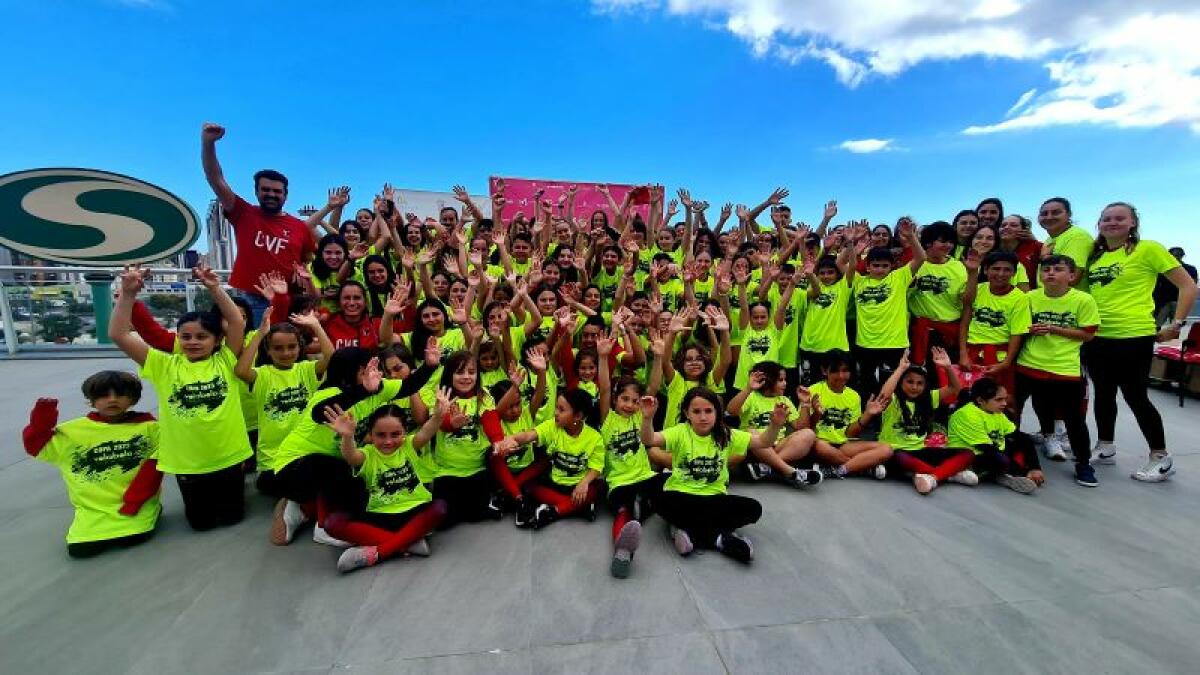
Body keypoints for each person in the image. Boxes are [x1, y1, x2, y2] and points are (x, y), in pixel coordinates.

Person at [109, 264, 251, 531]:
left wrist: (215, 288)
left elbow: (236, 322)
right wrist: (127, 295)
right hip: (187, 462)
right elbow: (119, 334)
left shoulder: (226, 360)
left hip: (230, 456)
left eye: (201, 336)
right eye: (185, 336)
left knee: (233, 517)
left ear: (217, 340)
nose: (193, 342)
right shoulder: (164, 366)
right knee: (201, 524)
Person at [1083, 202, 1198, 481]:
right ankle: (1106, 445)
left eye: (1119, 218)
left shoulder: (1148, 249)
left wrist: (1177, 323)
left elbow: (1188, 285)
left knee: (1136, 396)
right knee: (1104, 393)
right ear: (1099, 224)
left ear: (1132, 223)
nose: (1111, 223)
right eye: (1106, 219)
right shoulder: (1095, 257)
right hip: (1098, 336)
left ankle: (1160, 456)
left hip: (1134, 336)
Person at [22, 373, 162, 558]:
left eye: (120, 394)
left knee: (132, 539)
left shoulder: (151, 428)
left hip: (138, 508)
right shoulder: (71, 432)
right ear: (91, 400)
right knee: (79, 552)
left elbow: (161, 461)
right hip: (91, 514)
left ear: (133, 399)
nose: (112, 400)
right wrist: (41, 420)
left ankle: (150, 513)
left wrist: (134, 501)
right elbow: (36, 446)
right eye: (104, 395)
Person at [638, 388, 785, 564]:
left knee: (753, 508)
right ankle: (719, 538)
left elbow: (763, 442)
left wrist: (775, 425)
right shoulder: (680, 432)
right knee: (659, 500)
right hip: (682, 496)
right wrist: (647, 418)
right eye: (696, 411)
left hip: (714, 498)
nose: (703, 417)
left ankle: (688, 531)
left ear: (717, 412)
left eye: (708, 411)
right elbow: (649, 440)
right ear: (687, 413)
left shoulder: (726, 434)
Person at [201, 122, 315, 323]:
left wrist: (301, 274)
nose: (271, 194)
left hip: (288, 298)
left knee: (284, 349)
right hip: (249, 298)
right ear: (257, 191)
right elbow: (215, 178)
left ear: (286, 195)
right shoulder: (243, 213)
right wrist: (208, 143)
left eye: (277, 191)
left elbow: (306, 257)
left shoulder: (299, 227)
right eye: (266, 190)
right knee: (252, 348)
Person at [321, 401, 450, 573]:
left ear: (404, 432)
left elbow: (428, 430)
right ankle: (407, 543)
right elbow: (351, 456)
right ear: (371, 435)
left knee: (440, 508)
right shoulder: (368, 454)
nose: (388, 441)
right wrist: (347, 436)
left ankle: (380, 552)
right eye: (381, 435)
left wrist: (439, 416)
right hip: (379, 515)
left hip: (413, 511)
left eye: (395, 434)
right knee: (333, 524)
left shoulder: (410, 446)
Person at [1013, 255, 1098, 485]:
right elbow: (1018, 326)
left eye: (1058, 269)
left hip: (1064, 368)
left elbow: (1088, 334)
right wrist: (1030, 329)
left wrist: (1053, 329)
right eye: (1046, 269)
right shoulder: (1029, 297)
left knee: (1074, 420)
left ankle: (1083, 464)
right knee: (1013, 412)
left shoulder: (1083, 300)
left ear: (1071, 276)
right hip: (1028, 364)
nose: (1050, 273)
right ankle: (1013, 455)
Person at [235, 308, 333, 496]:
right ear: (268, 350)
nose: (286, 353)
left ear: (300, 347)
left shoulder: (306, 370)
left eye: (291, 347)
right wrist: (260, 334)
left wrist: (316, 325)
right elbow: (240, 370)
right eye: (278, 348)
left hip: (303, 453)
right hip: (273, 460)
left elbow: (331, 358)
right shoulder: (262, 375)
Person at [596, 335, 666, 578]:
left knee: (672, 487)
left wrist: (658, 357)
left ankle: (680, 530)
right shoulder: (608, 418)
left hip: (645, 476)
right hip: (619, 482)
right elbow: (604, 387)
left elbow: (654, 388)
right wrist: (603, 357)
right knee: (624, 511)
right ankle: (622, 550)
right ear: (616, 399)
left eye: (635, 401)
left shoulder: (640, 416)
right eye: (625, 399)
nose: (630, 404)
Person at [495, 390, 606, 529]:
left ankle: (553, 512)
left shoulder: (595, 438)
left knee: (597, 488)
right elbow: (529, 435)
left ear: (577, 416)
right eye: (556, 407)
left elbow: (596, 466)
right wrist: (512, 439)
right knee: (529, 488)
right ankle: (575, 508)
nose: (555, 413)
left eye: (561, 409)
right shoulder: (552, 426)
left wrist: (584, 483)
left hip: (577, 487)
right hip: (554, 483)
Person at [877, 349, 970, 494]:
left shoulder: (929, 398)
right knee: (899, 457)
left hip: (920, 451)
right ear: (901, 382)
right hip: (896, 453)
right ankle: (947, 474)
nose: (915, 387)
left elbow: (955, 388)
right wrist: (901, 368)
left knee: (967, 453)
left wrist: (947, 367)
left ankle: (933, 477)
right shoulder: (893, 400)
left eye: (920, 383)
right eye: (910, 382)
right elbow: (884, 394)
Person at [959, 250, 1030, 412]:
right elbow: (965, 321)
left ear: (1014, 272)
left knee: (1005, 401)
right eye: (996, 269)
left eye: (1007, 270)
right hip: (973, 354)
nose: (1001, 274)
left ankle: (1006, 435)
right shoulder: (978, 289)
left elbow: (1016, 333)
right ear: (986, 270)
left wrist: (1006, 363)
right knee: (971, 400)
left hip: (1000, 356)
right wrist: (963, 353)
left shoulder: (1020, 298)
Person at [805, 351, 894, 479]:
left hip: (843, 446)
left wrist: (867, 415)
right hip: (820, 444)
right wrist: (817, 413)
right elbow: (805, 430)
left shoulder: (854, 396)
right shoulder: (812, 391)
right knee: (819, 445)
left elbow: (850, 434)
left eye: (845, 370)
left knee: (887, 449)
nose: (841, 376)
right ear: (824, 371)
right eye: (835, 371)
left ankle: (838, 469)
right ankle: (862, 467)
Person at [948, 379, 1042, 494]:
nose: (1005, 403)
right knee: (999, 460)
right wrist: (1021, 471)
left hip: (993, 450)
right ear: (980, 400)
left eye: (1005, 399)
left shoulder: (996, 412)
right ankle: (1005, 474)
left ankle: (1003, 474)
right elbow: (987, 448)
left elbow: (1020, 438)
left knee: (1024, 441)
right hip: (971, 455)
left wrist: (1035, 467)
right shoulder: (966, 415)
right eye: (999, 400)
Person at [1037, 197, 1091, 289]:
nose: (1049, 217)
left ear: (1069, 214)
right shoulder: (1050, 239)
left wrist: (1044, 257)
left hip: (1070, 302)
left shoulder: (1077, 237)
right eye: (1044, 214)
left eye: (1056, 213)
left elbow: (1072, 278)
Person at [1153, 247, 1198, 327]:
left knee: (1157, 326)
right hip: (1170, 302)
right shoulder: (1190, 269)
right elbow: (1193, 286)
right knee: (1172, 327)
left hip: (1169, 302)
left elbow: (1155, 286)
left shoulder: (1162, 270)